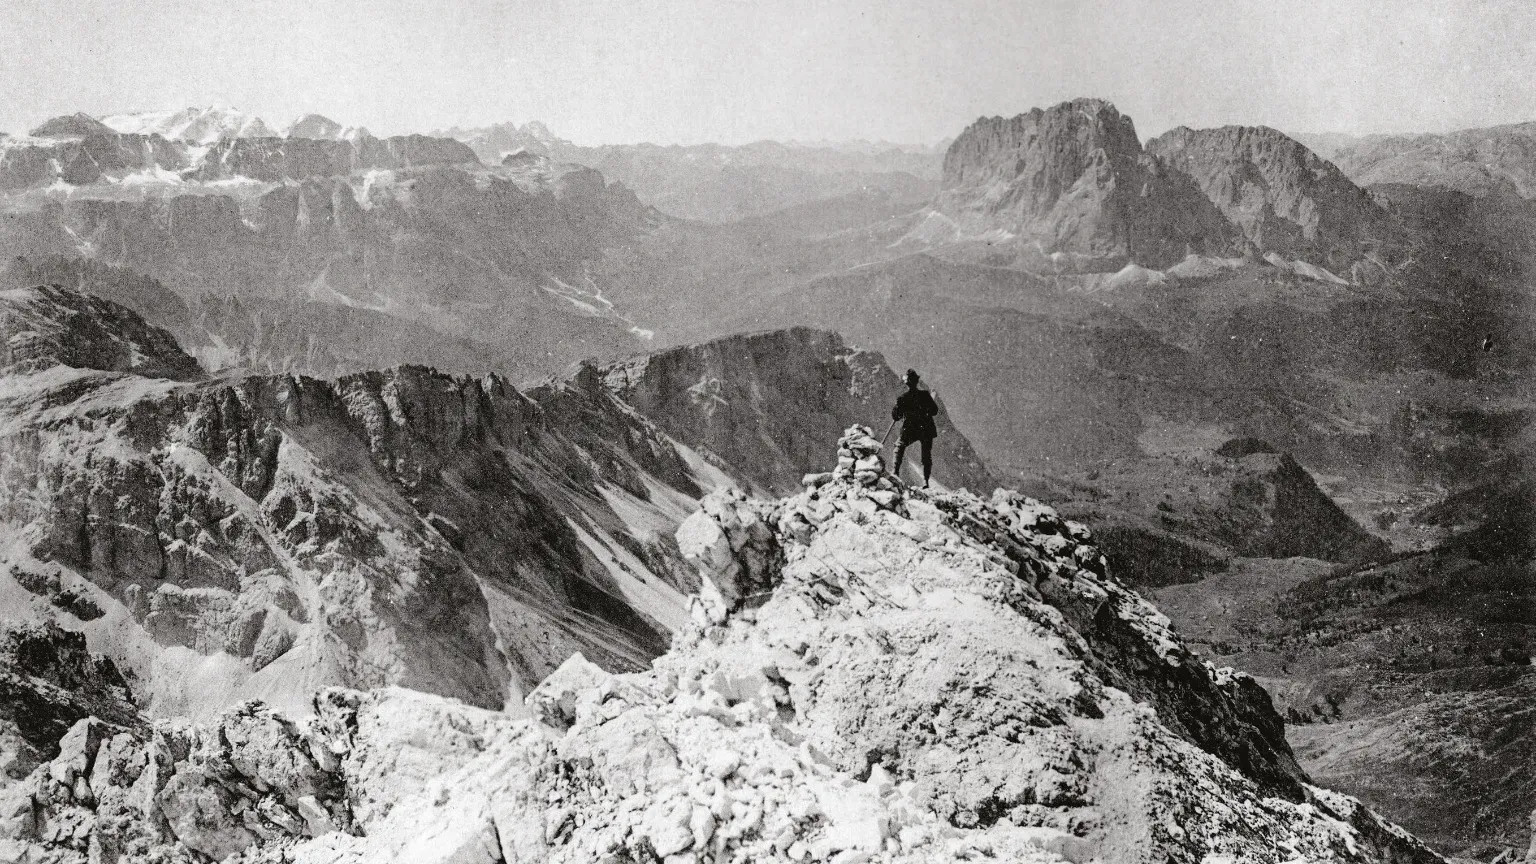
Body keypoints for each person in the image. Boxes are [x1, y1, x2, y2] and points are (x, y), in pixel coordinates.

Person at [891, 369, 939, 487]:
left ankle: (895, 472)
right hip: (926, 428)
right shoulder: (925, 395)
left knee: (899, 447)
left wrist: (899, 409)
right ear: (917, 382)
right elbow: (934, 411)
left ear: (906, 383)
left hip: (910, 428)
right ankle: (925, 481)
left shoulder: (903, 398)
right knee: (926, 455)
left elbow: (896, 416)